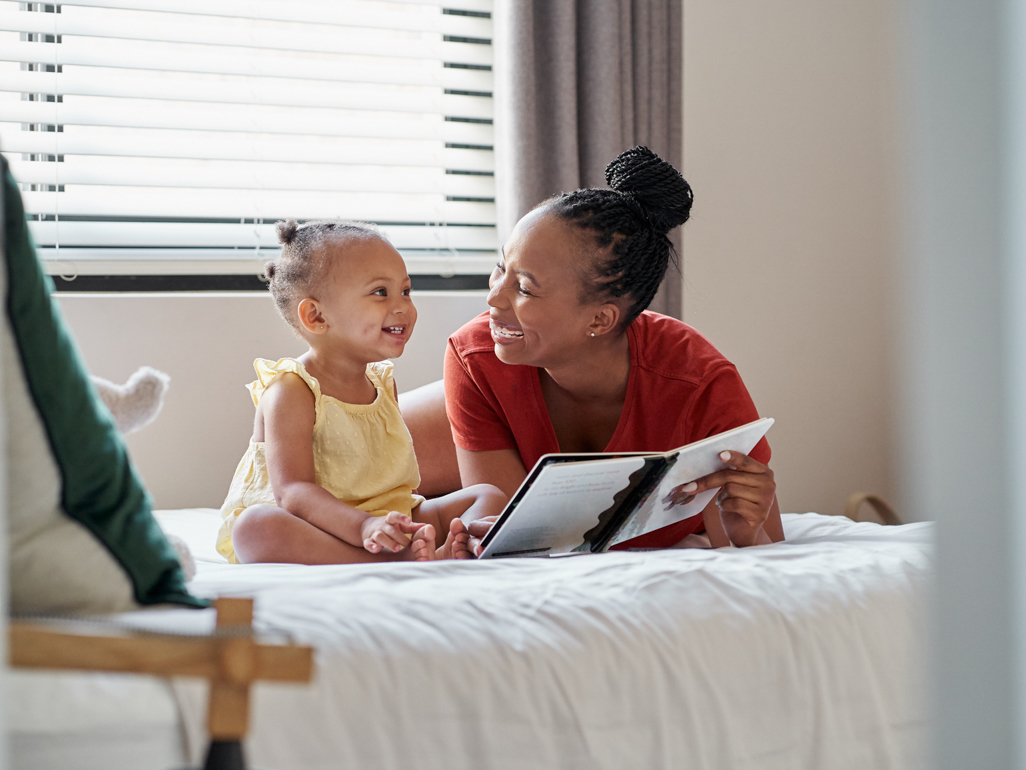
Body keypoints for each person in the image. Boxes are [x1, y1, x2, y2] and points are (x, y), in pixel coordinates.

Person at [445, 146, 782, 550]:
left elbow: (767, 544)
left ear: (600, 320)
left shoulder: (701, 385)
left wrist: (744, 529)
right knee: (361, 465)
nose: (494, 298)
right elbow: (512, 542)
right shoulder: (475, 357)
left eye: (524, 288)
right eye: (502, 267)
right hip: (465, 414)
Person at [216, 220, 507, 565]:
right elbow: (293, 493)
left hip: (386, 516)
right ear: (316, 316)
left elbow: (390, 479)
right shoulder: (290, 390)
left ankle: (460, 545)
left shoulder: (382, 384)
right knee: (256, 528)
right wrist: (363, 526)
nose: (403, 307)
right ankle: (397, 560)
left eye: (406, 291)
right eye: (380, 293)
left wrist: (396, 523)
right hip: (322, 524)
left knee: (488, 495)